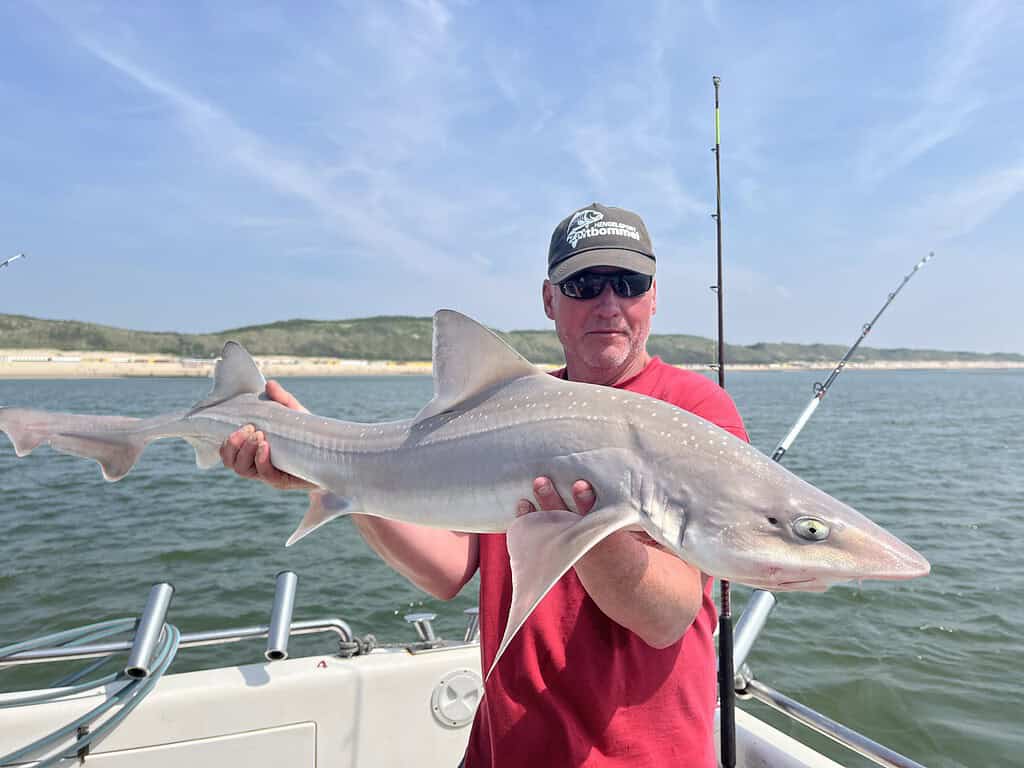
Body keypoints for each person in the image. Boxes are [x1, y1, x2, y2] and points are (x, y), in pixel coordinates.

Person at [220, 202, 748, 767]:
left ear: (653, 294)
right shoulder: (503, 411)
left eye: (628, 282)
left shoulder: (692, 413)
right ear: (550, 298)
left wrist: (584, 519)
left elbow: (666, 617)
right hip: (499, 750)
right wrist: (329, 476)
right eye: (585, 284)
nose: (609, 304)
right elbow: (447, 570)